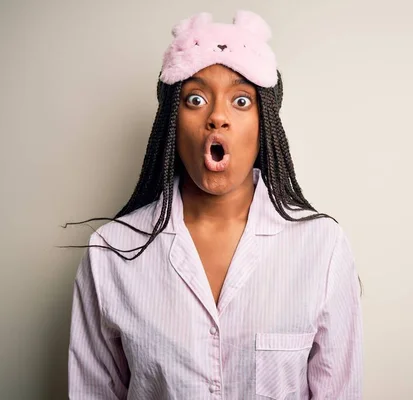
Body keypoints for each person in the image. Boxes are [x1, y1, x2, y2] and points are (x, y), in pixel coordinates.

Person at [66, 10, 363, 400]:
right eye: (195, 99)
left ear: (265, 124)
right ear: (172, 121)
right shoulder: (110, 252)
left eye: (241, 100)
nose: (217, 117)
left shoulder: (322, 246)